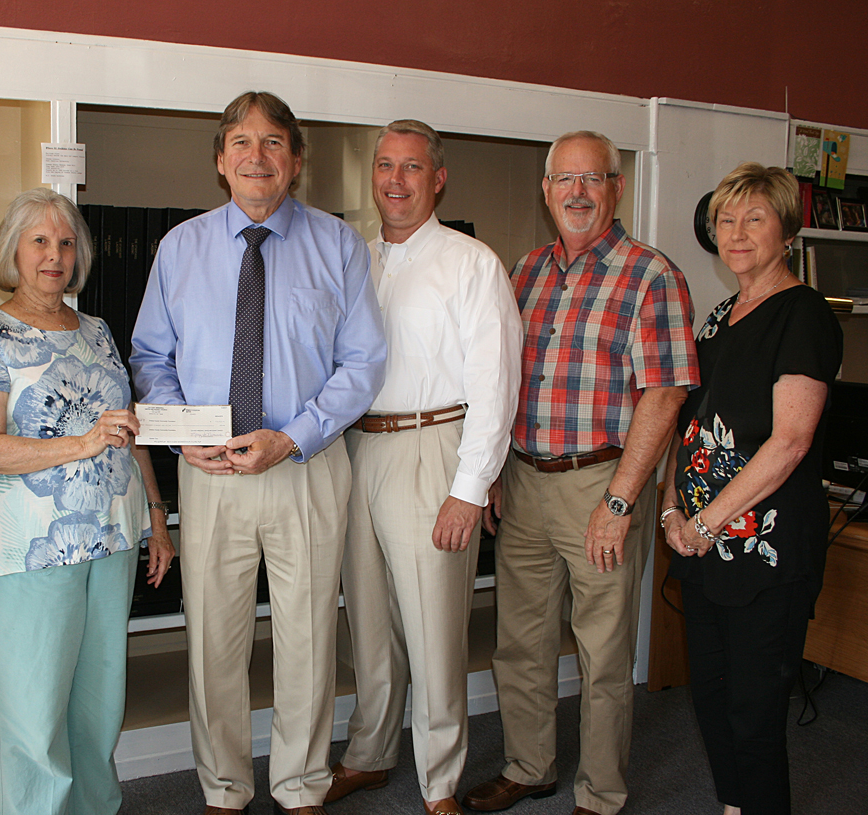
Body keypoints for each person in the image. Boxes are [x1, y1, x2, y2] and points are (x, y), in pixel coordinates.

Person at [130, 91, 386, 815]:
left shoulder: (338, 245)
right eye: (240, 142)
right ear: (220, 160)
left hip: (305, 462)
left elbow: (363, 363)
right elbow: (151, 355)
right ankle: (223, 785)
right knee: (214, 635)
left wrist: (293, 434)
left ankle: (302, 782)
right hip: (210, 473)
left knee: (308, 633)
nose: (256, 156)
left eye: (273, 142)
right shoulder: (179, 248)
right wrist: (184, 431)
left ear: (295, 161)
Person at [463, 131, 700, 815]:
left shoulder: (652, 275)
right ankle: (528, 765)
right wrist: (498, 465)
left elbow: (665, 395)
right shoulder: (526, 271)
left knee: (602, 650)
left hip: (603, 483)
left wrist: (621, 502)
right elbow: (504, 378)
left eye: (592, 178)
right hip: (526, 481)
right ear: (546, 190)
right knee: (521, 641)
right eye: (564, 179)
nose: (576, 192)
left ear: (615, 188)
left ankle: (600, 793)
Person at [0, 187, 174, 815]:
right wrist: (79, 443)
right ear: (14, 252)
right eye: (40, 241)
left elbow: (128, 435)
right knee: (35, 713)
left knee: (100, 703)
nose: (55, 255)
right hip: (26, 548)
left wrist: (157, 521)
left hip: (111, 538)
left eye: (67, 242)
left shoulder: (99, 331)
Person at [331, 120, 522, 815]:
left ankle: (439, 779)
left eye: (412, 167)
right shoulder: (355, 258)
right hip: (359, 447)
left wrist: (468, 488)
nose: (395, 180)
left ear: (438, 178)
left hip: (433, 447)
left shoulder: (473, 264)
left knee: (434, 627)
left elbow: (496, 385)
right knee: (369, 622)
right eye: (385, 165)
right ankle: (370, 752)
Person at [662, 163, 842, 815]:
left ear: (786, 230)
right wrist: (671, 508)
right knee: (711, 700)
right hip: (704, 547)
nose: (736, 233)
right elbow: (690, 423)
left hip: (764, 555)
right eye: (726, 220)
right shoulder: (720, 315)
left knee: (754, 712)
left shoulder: (804, 315)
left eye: (754, 218)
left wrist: (704, 522)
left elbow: (790, 441)